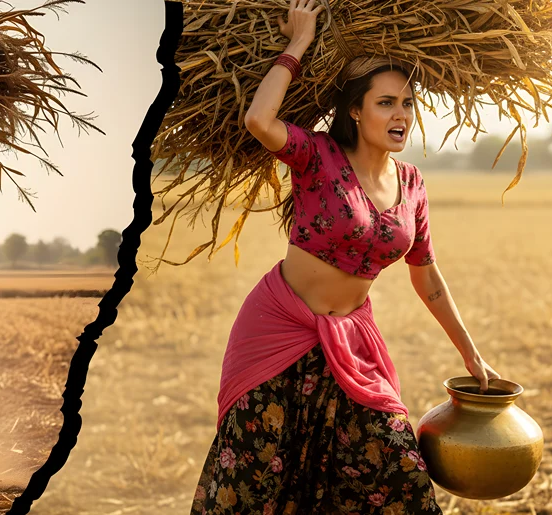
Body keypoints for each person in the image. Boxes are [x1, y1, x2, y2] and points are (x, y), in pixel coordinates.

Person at [190, 0, 501, 513]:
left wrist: (470, 353)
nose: (401, 114)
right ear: (355, 110)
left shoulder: (412, 183)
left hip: (351, 345)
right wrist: (298, 43)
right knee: (253, 486)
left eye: (407, 103)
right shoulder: (317, 155)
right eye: (386, 102)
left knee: (399, 475)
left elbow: (427, 276)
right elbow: (258, 119)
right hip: (278, 331)